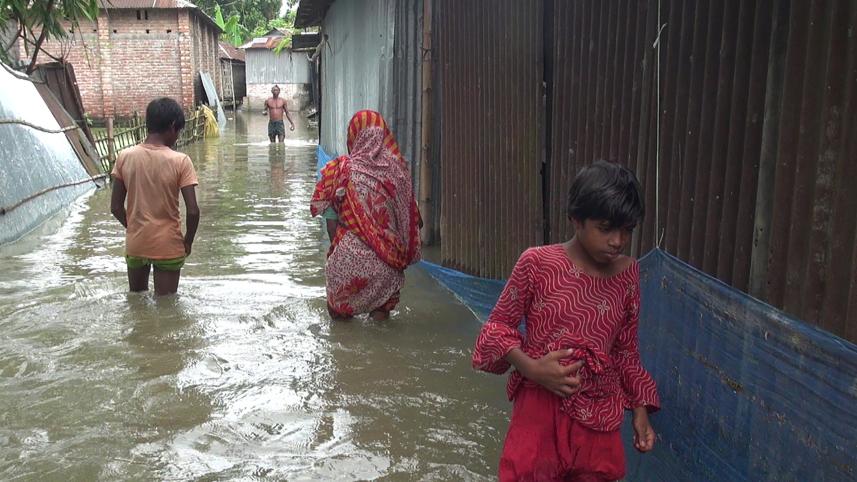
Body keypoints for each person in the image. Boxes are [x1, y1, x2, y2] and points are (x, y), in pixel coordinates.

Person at [472, 160, 659, 481]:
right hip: (540, 409)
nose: (617, 241)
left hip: (599, 417)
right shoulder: (538, 263)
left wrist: (640, 412)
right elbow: (496, 329)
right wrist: (532, 368)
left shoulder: (628, 274)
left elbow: (625, 351)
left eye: (627, 230)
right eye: (605, 228)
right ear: (576, 219)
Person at [310, 110, 422, 320]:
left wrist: (343, 256)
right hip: (387, 264)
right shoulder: (399, 174)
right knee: (381, 321)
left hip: (347, 260)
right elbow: (411, 221)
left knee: (339, 320)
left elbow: (331, 223)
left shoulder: (341, 170)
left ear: (353, 136)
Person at [110, 97, 200, 296]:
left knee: (137, 301)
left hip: (136, 243)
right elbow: (193, 211)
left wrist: (134, 227)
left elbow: (115, 207)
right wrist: (188, 241)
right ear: (172, 126)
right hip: (168, 245)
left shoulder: (125, 156)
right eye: (178, 132)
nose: (177, 138)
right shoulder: (180, 161)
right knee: (167, 306)